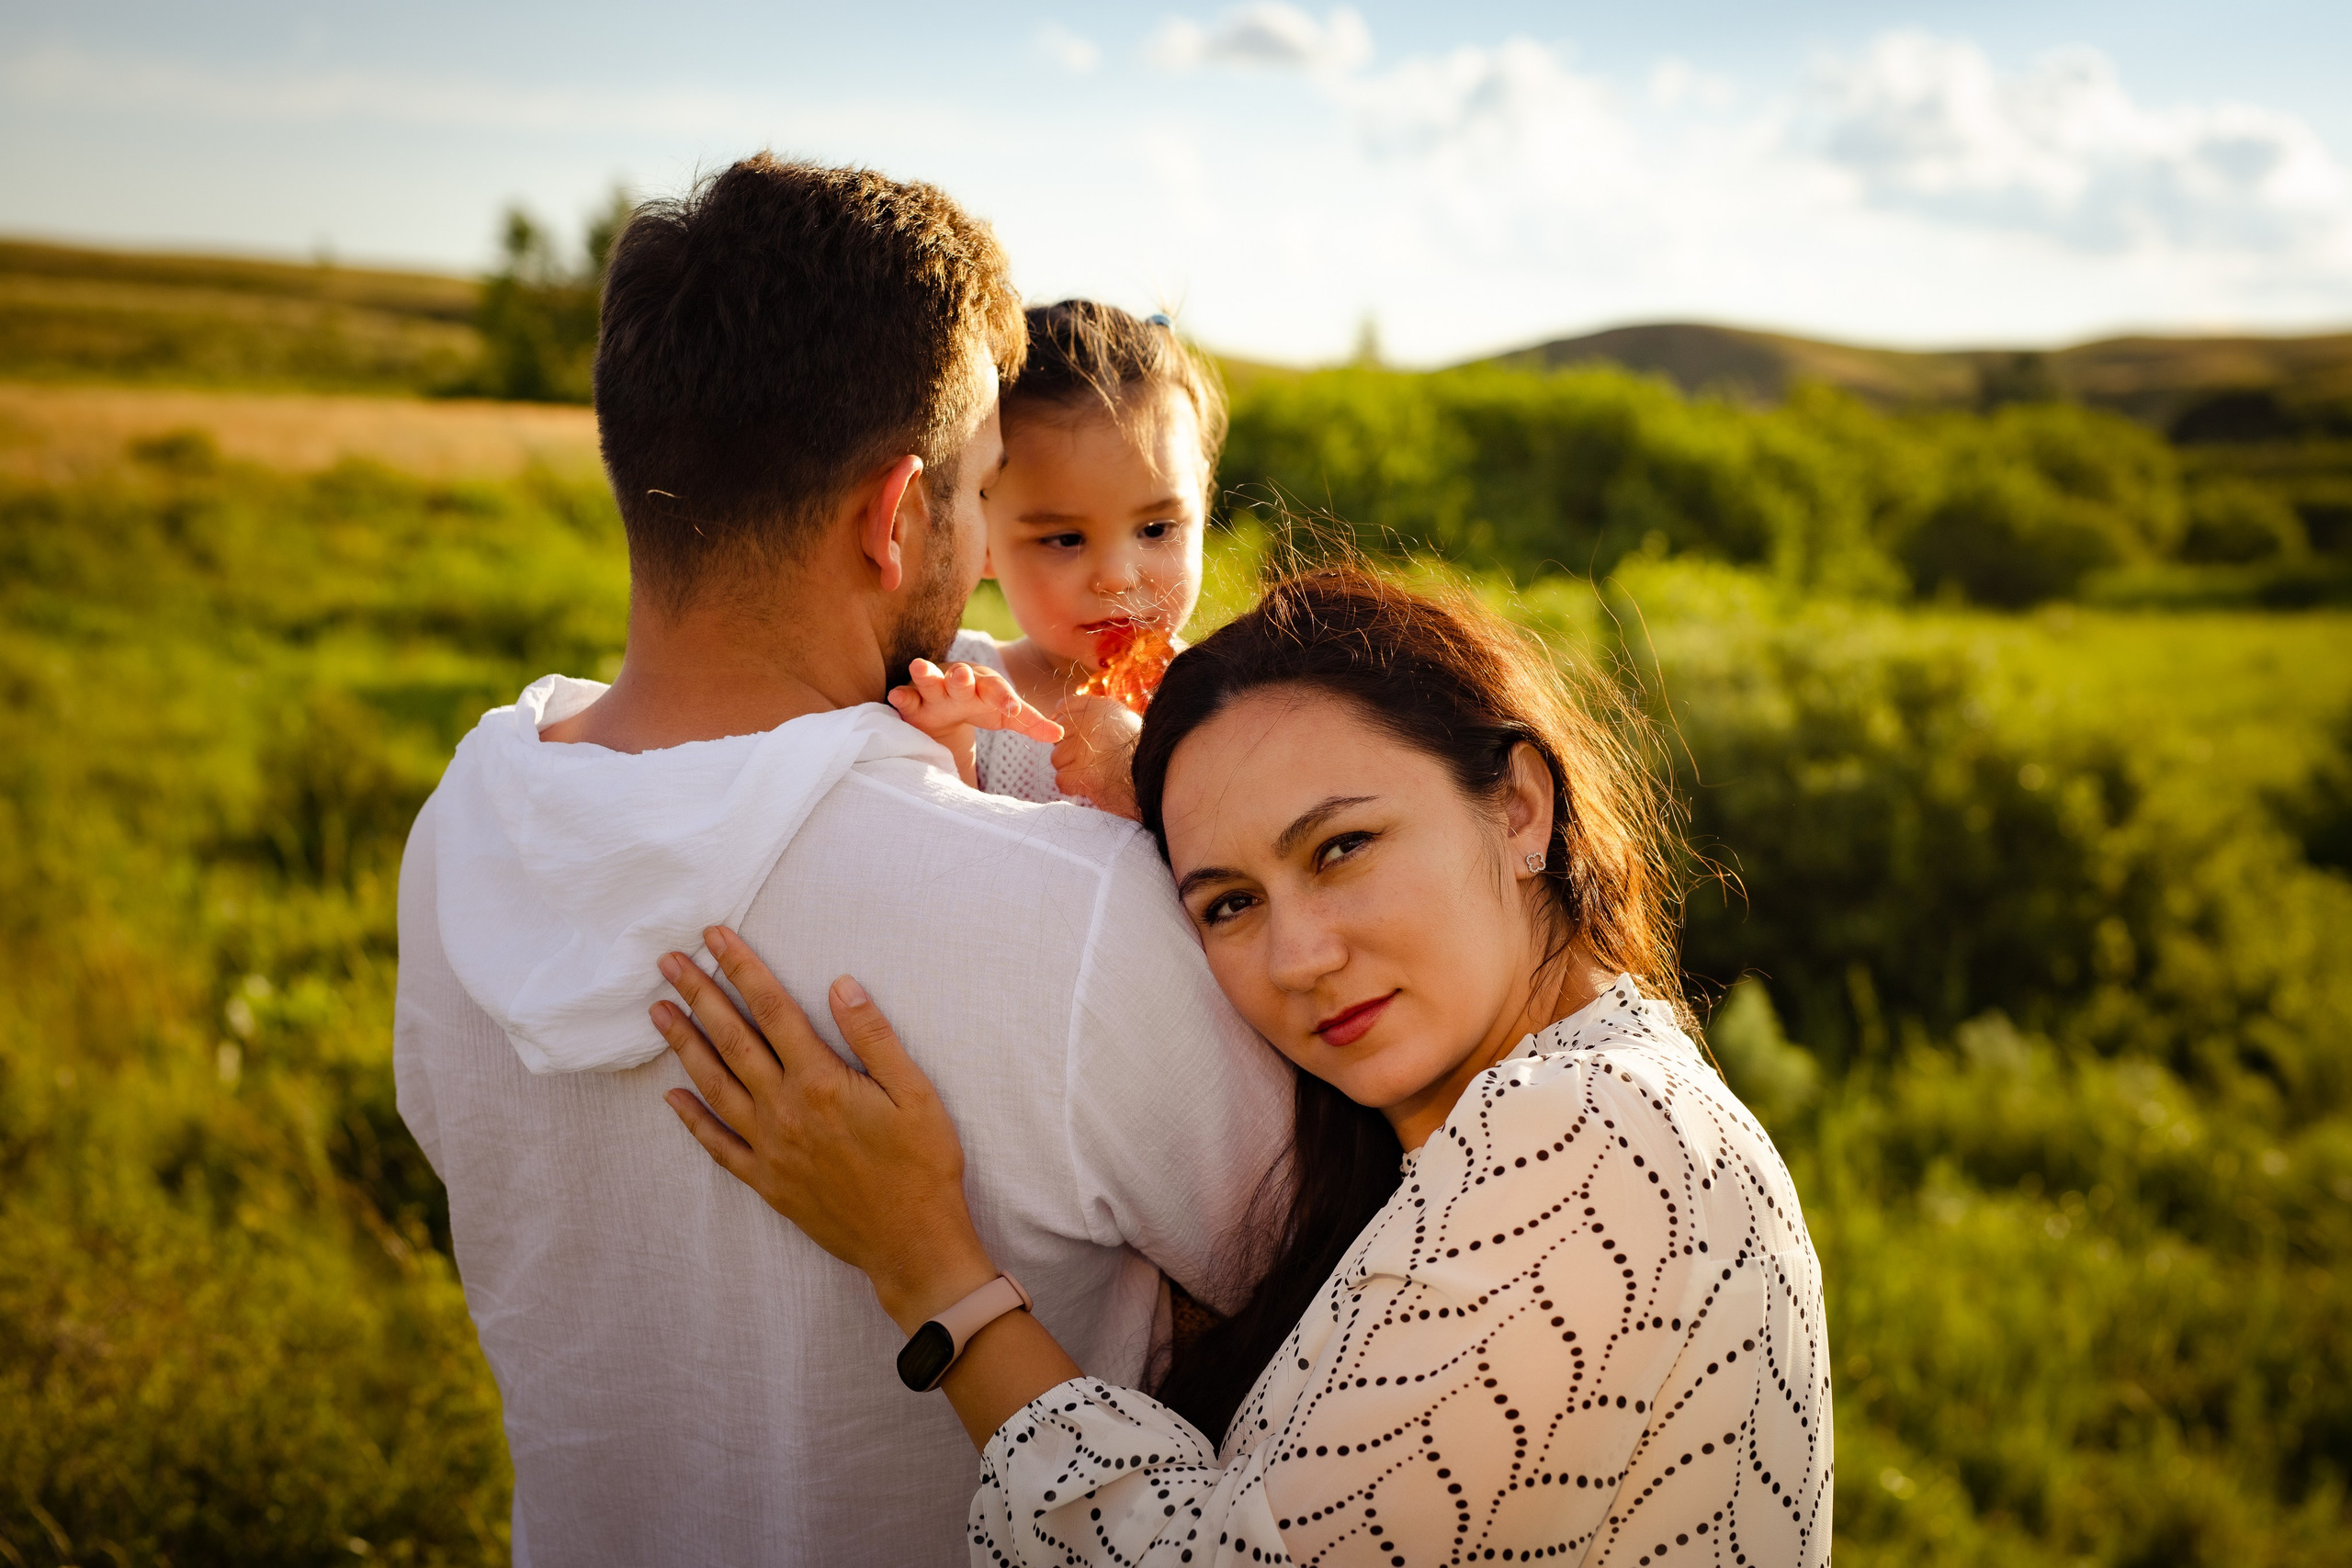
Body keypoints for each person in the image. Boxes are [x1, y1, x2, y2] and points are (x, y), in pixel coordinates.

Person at [392, 155, 1292, 1567]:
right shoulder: (1072, 907)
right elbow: (1320, 1283)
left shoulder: (462, 835)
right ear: (894, 518)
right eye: (992, 488)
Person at [651, 569, 1834, 1566]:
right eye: (1226, 904)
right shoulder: (1558, 1112)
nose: (1299, 956)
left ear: (1519, 809)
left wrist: (928, 1267)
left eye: (1341, 847)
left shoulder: (1590, 1126)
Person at [889, 299, 1224, 818]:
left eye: (1156, 529)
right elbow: (943, 859)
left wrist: (1134, 774)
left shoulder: (1226, 699)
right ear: (980, 534)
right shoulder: (967, 685)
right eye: (1065, 539)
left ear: (1203, 498)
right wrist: (949, 738)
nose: (1116, 577)